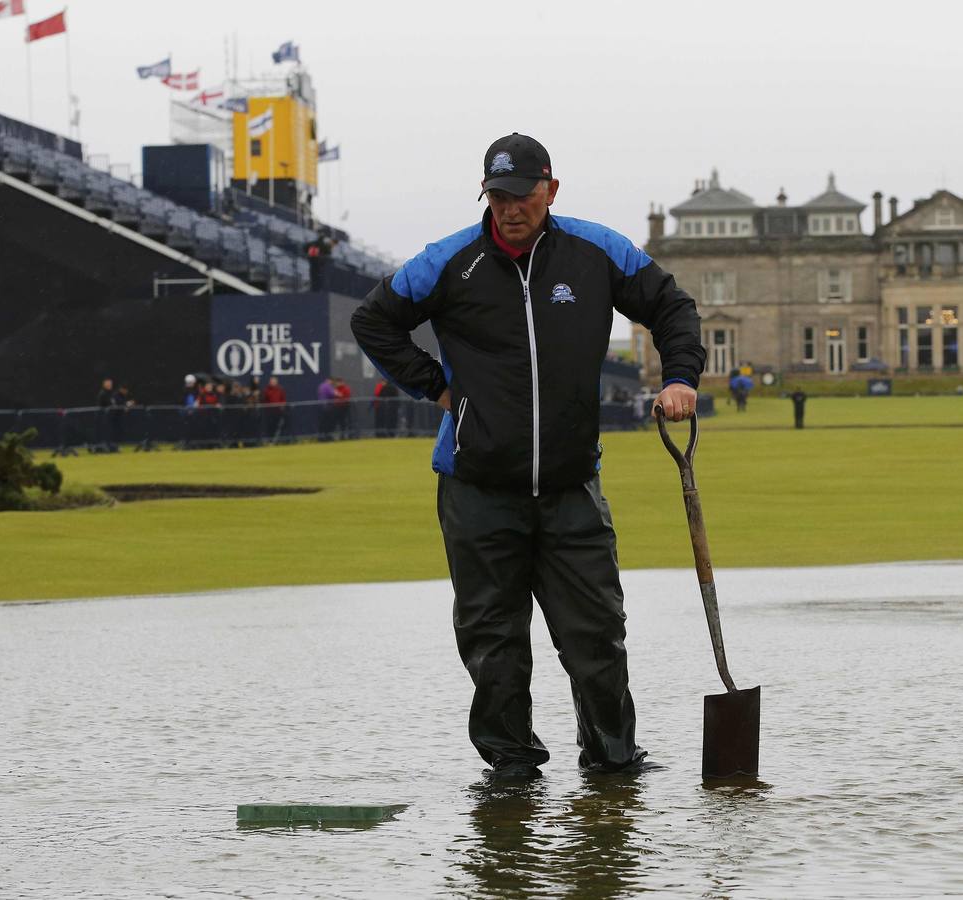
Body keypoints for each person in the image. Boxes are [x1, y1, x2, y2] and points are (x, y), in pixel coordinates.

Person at [350, 132, 705, 781]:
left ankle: (612, 757)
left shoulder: (597, 250)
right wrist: (437, 386)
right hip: (477, 486)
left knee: (596, 631)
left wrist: (680, 377)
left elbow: (671, 306)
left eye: (523, 195)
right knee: (493, 639)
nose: (511, 209)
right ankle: (511, 767)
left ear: (551, 190)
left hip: (572, 484)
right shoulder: (447, 261)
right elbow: (373, 319)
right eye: (498, 196)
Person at [261, 376, 287, 442]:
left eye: (274, 381)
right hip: (269, 413)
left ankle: (278, 440)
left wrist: (282, 406)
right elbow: (264, 400)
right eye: (271, 381)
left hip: (278, 412)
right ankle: (269, 440)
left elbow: (283, 399)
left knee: (278, 427)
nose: (272, 383)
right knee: (269, 427)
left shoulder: (280, 389)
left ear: (276, 382)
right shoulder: (266, 390)